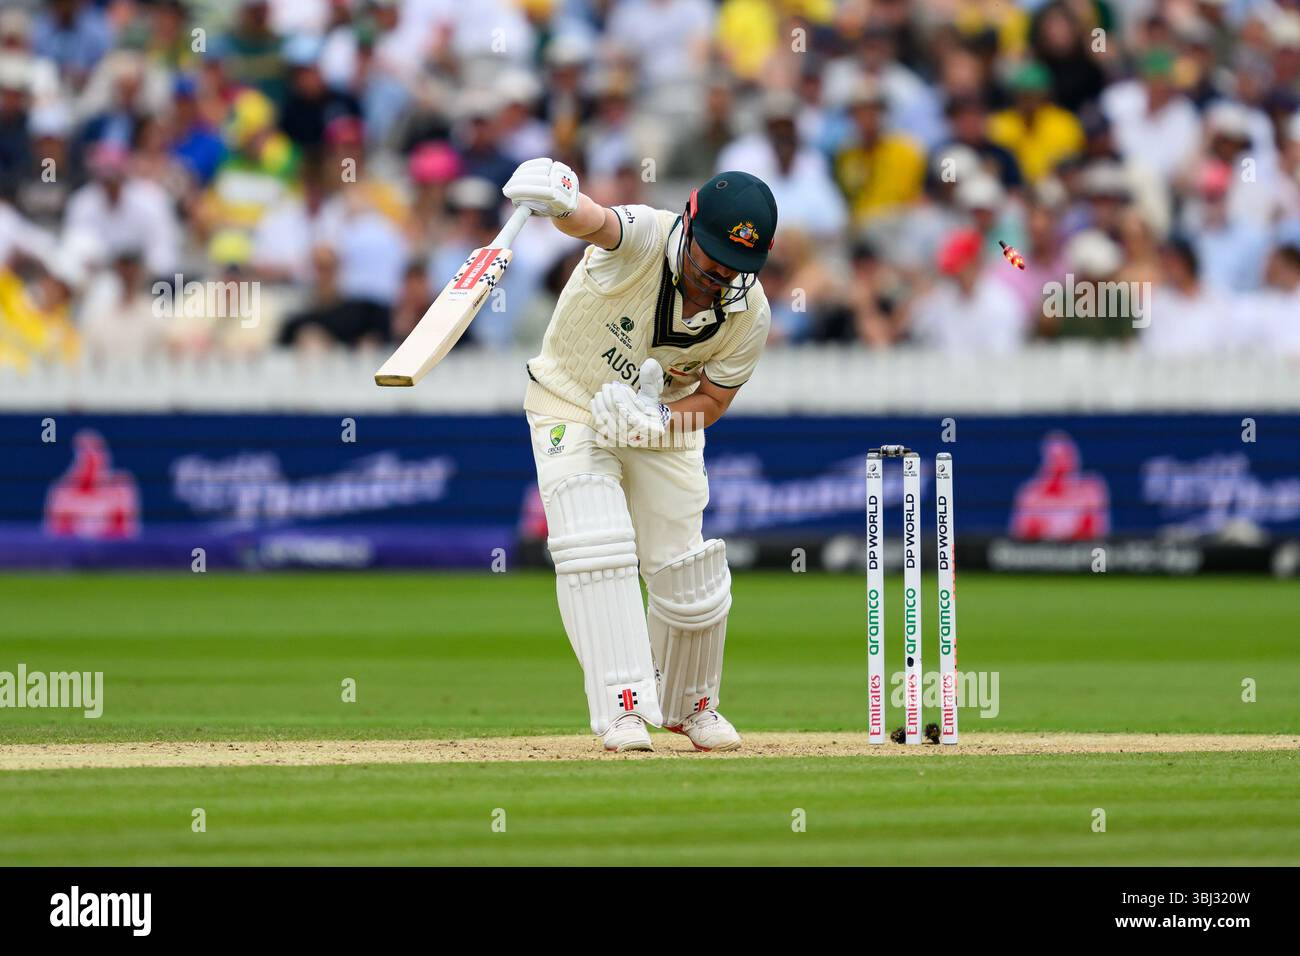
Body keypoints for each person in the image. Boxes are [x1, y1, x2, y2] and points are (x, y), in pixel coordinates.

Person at [502, 157, 776, 753]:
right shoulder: (649, 235)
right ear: (689, 228)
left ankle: (690, 705)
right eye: (712, 262)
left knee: (686, 566)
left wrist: (660, 421)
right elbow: (596, 223)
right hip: (571, 401)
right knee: (595, 545)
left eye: (737, 270)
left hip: (664, 417)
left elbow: (713, 398)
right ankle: (622, 707)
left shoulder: (749, 315)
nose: (720, 278)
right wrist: (561, 200)